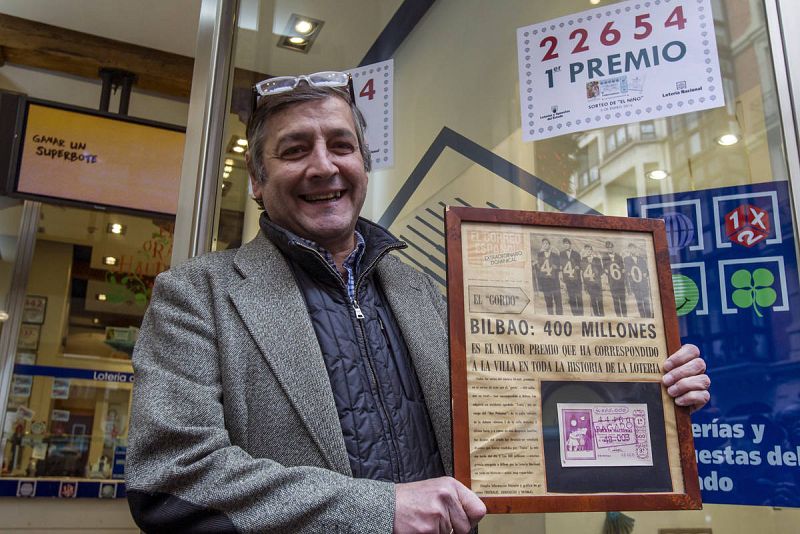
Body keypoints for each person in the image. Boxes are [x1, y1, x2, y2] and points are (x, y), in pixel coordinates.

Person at [126, 72, 711, 533]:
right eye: (295, 149)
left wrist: (644, 391)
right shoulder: (197, 296)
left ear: (364, 165)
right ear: (256, 179)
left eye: (341, 145)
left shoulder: (423, 291)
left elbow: (512, 427)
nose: (323, 165)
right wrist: (378, 511)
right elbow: (171, 479)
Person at [533, 238, 563, 315]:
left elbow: (560, 267)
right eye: (543, 244)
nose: (545, 245)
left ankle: (560, 317)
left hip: (554, 281)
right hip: (545, 281)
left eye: (546, 243)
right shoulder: (539, 255)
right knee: (548, 301)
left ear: (549, 245)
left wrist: (556, 267)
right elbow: (538, 268)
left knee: (558, 300)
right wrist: (537, 266)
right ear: (542, 245)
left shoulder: (555, 255)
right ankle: (551, 317)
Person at [625, 242, 653, 318]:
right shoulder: (626, 259)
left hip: (644, 285)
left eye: (634, 248)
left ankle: (649, 317)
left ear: (636, 249)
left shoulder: (641, 259)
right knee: (639, 303)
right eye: (631, 249)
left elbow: (647, 271)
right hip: (635, 285)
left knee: (646, 302)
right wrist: (629, 288)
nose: (632, 250)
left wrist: (646, 274)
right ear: (629, 250)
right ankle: (643, 317)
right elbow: (627, 272)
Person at [603, 240, 627, 317]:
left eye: (611, 247)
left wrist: (622, 270)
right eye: (608, 248)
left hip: (620, 282)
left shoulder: (618, 256)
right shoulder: (604, 257)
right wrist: (606, 270)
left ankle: (625, 316)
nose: (610, 249)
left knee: (623, 300)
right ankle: (619, 316)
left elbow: (623, 268)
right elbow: (605, 269)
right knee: (616, 300)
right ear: (606, 249)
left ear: (613, 247)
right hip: (612, 283)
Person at [560, 238, 583, 316]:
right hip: (568, 280)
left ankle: (581, 314)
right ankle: (574, 314)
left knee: (579, 297)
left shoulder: (576, 254)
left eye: (567, 243)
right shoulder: (561, 254)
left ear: (570, 244)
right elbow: (561, 265)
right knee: (571, 297)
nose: (566, 245)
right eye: (564, 244)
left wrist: (578, 267)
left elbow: (581, 264)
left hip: (577, 279)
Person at [582, 243, 605, 316]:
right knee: (593, 300)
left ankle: (602, 315)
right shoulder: (583, 260)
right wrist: (585, 285)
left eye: (589, 249)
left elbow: (601, 271)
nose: (588, 251)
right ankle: (596, 315)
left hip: (597, 282)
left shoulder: (597, 259)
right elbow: (583, 273)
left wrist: (596, 272)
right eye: (586, 250)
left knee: (600, 300)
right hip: (589, 284)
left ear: (592, 250)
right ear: (585, 251)